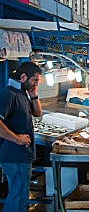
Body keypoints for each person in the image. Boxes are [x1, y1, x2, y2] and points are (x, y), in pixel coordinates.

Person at [0, 61, 42, 212]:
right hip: (14, 156)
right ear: (23, 76)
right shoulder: (9, 94)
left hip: (23, 156)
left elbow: (37, 113)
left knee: (21, 196)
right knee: (18, 198)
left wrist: (34, 95)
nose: (36, 84)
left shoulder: (22, 92)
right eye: (34, 80)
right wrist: (17, 139)